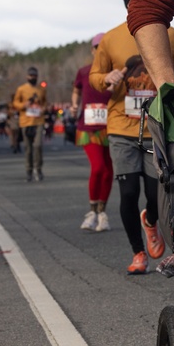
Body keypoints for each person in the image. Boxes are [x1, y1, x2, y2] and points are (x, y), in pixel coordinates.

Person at [91, 0, 174, 275]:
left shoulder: (170, 35)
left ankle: (151, 222)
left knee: (154, 193)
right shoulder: (111, 39)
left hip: (155, 125)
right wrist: (107, 79)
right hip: (121, 124)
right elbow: (97, 75)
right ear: (127, 4)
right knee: (128, 191)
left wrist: (172, 81)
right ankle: (137, 253)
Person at [71, 33, 113, 232]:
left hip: (111, 127)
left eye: (103, 48)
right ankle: (92, 212)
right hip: (88, 127)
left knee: (108, 171)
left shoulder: (114, 73)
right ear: (92, 50)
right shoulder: (84, 71)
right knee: (98, 167)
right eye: (97, 47)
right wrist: (74, 105)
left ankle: (101, 212)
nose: (99, 51)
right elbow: (77, 90)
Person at [12, 67, 47, 181]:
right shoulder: (21, 89)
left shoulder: (41, 89)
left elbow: (45, 102)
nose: (33, 78)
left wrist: (43, 108)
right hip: (25, 121)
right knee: (28, 148)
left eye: (35, 76)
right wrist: (23, 105)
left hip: (38, 120)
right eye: (31, 76)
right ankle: (29, 170)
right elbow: (15, 103)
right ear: (27, 76)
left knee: (37, 146)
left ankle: (38, 168)